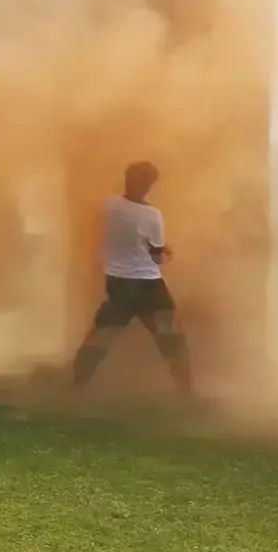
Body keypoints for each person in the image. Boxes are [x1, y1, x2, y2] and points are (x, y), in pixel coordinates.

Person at [70, 161, 194, 395]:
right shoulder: (152, 215)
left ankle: (75, 385)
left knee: (102, 335)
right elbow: (157, 255)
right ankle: (186, 388)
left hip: (119, 282)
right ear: (150, 185)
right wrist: (167, 252)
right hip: (149, 283)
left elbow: (98, 229)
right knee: (171, 337)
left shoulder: (109, 206)